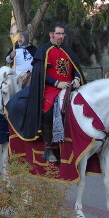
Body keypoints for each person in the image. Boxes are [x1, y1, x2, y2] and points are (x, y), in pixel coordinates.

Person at [6, 23, 85, 162]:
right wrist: (56, 83)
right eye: (58, 33)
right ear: (51, 34)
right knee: (48, 108)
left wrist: (77, 78)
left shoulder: (68, 50)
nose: (61, 36)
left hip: (69, 87)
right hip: (51, 88)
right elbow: (40, 73)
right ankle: (49, 147)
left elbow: (75, 68)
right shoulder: (43, 51)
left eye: (62, 34)